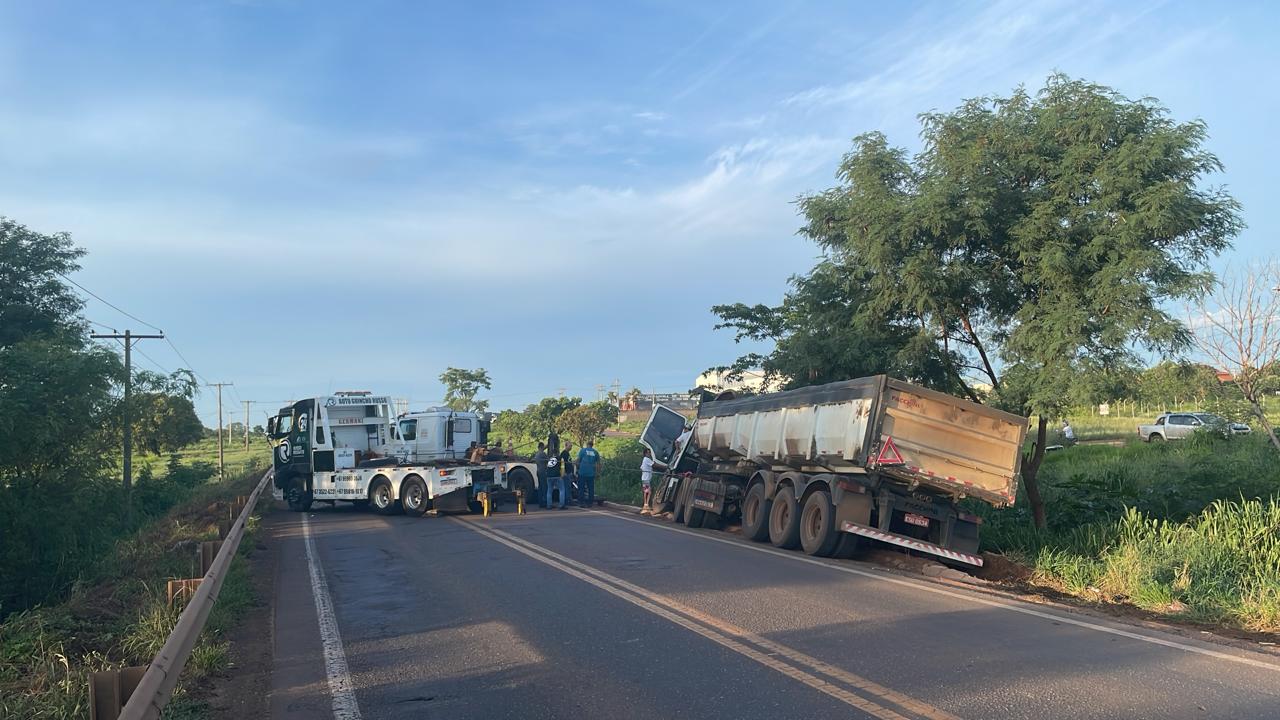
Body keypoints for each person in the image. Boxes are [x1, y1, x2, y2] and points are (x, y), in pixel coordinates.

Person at [576, 439, 601, 508]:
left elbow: (578, 461)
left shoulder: (583, 451)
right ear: (592, 445)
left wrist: (578, 469)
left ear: (587, 445)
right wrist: (598, 473)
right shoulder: (595, 452)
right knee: (591, 488)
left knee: (581, 488)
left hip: (582, 472)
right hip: (591, 473)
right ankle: (590, 503)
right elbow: (598, 464)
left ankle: (581, 502)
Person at [533, 442, 549, 509]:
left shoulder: (537, 454)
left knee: (540, 487)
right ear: (542, 447)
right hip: (543, 472)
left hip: (538, 471)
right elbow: (548, 460)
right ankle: (545, 502)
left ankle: (540, 502)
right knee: (544, 487)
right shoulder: (543, 454)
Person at [640, 448, 654, 514]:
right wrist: (665, 467)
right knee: (649, 491)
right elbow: (653, 464)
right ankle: (646, 504)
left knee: (646, 491)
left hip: (644, 478)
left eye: (649, 452)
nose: (649, 454)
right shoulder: (647, 459)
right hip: (646, 478)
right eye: (648, 453)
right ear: (645, 453)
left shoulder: (644, 460)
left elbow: (641, 467)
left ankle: (645, 504)